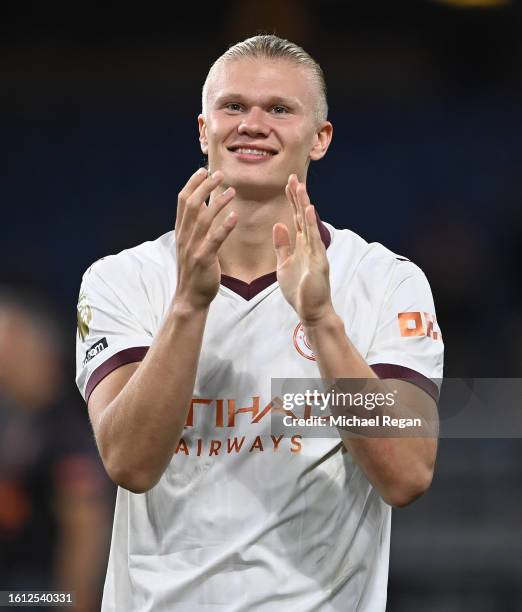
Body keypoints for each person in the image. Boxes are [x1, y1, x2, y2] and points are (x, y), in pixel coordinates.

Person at [75, 35, 443, 611]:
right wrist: (189, 306)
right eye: (233, 107)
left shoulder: (385, 282)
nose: (253, 124)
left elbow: (407, 473)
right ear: (203, 129)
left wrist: (321, 320)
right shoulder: (123, 280)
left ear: (319, 138)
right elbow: (130, 462)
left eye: (279, 109)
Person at [0, 288, 111, 612]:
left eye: (10, 350)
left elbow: (86, 531)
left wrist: (72, 603)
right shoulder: (18, 420)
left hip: (40, 594)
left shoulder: (66, 431)